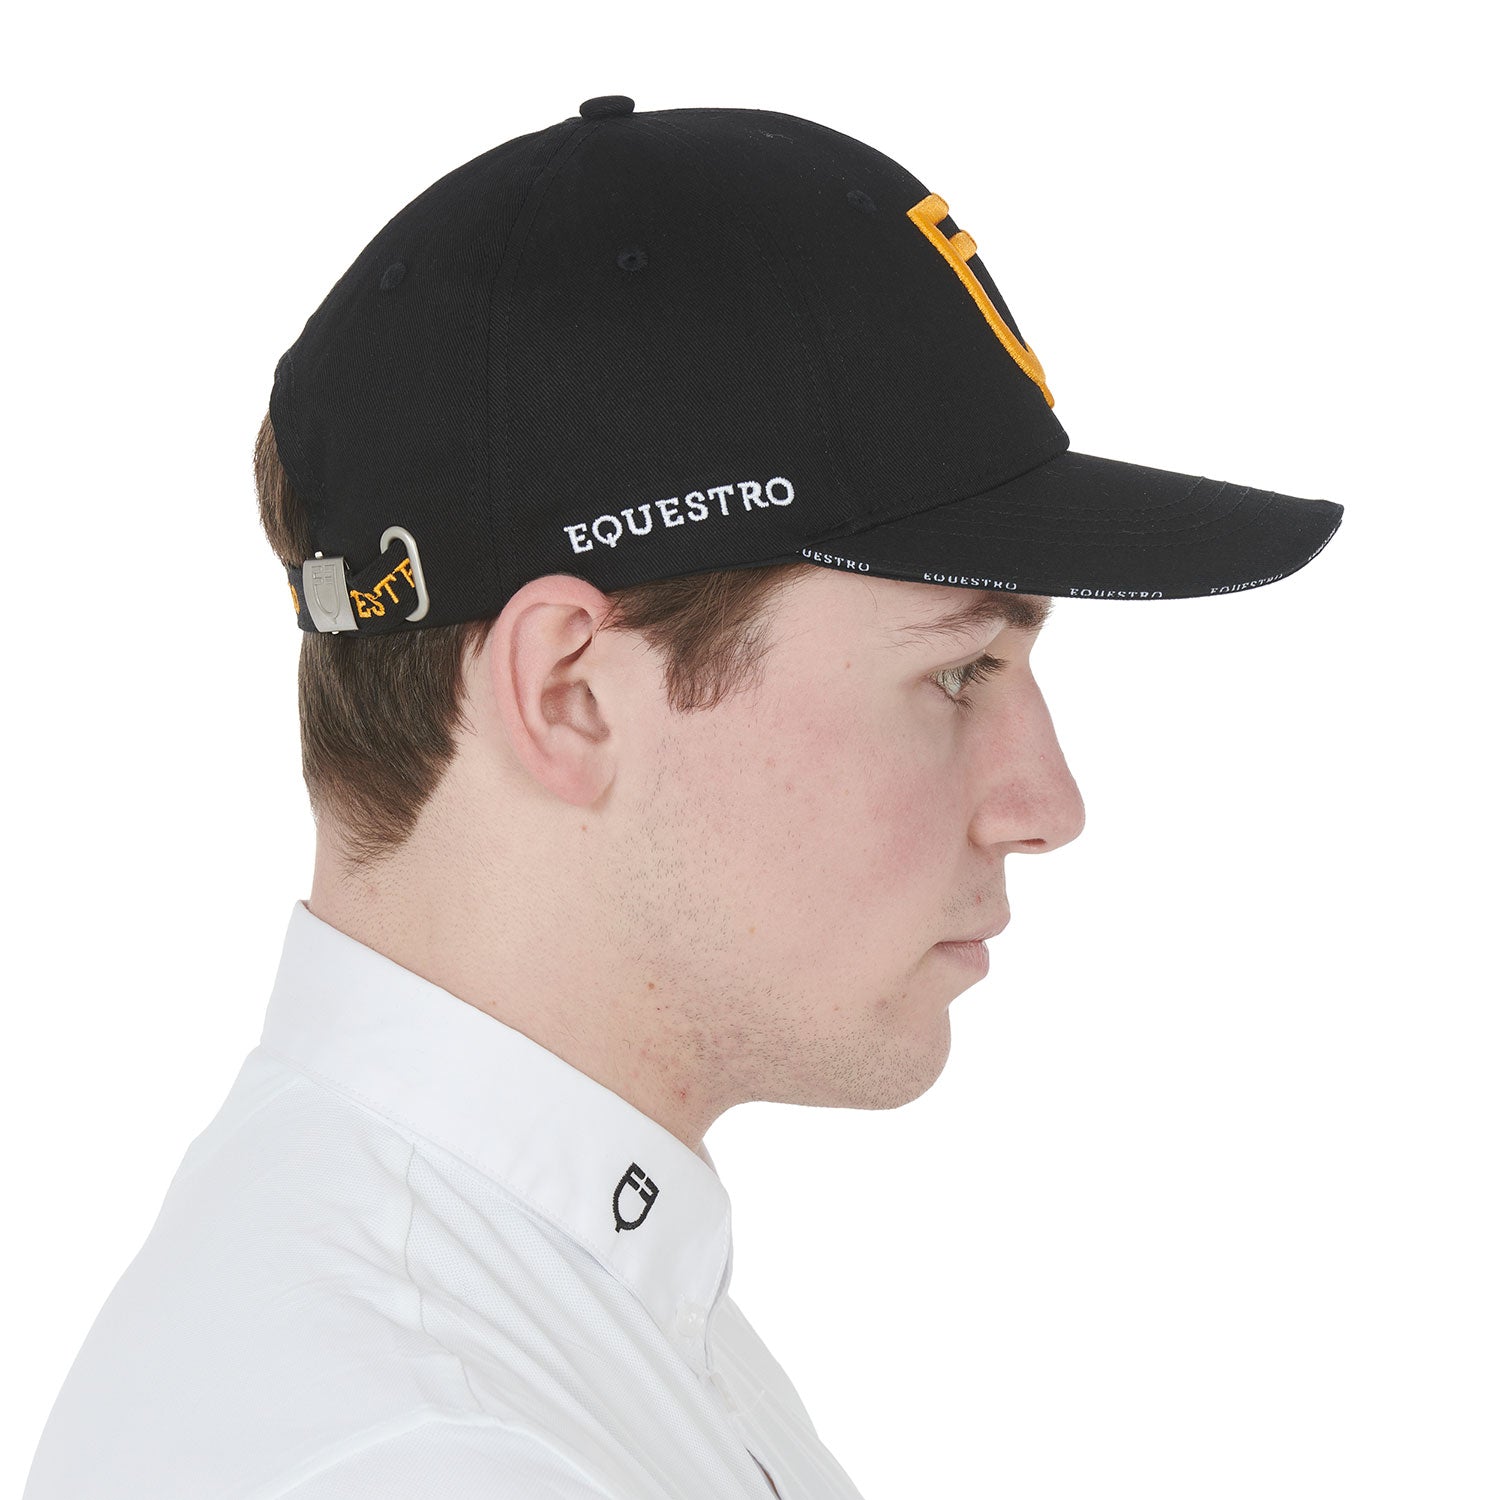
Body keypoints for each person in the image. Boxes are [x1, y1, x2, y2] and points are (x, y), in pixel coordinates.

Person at [22, 96, 1343, 1499]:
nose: (1047, 804)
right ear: (569, 694)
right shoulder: (429, 1448)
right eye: (958, 671)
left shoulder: (549, 1293)